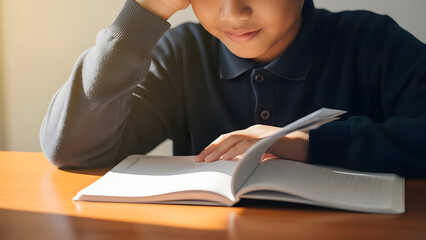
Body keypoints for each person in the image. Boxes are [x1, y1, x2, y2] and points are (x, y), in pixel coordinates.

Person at [40, 0, 426, 177]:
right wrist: (142, 14)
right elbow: (72, 151)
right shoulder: (183, 53)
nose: (233, 11)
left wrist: (312, 142)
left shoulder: (372, 41)